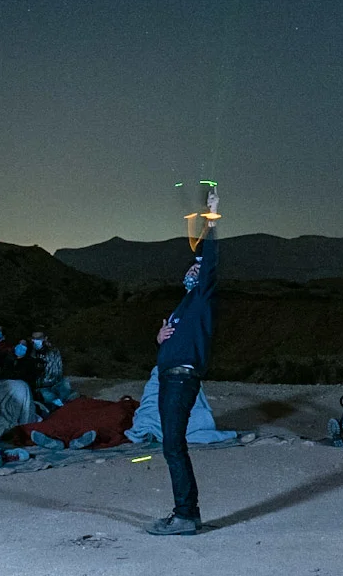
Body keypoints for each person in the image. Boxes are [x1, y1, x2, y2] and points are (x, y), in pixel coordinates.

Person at [148, 191, 219, 536]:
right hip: (168, 376)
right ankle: (186, 512)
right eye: (190, 268)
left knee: (174, 446)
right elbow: (174, 340)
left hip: (180, 379)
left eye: (196, 268)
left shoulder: (203, 298)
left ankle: (185, 516)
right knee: (170, 445)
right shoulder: (186, 303)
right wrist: (161, 340)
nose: (191, 271)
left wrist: (211, 216)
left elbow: (210, 258)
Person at [27, 331, 73, 410]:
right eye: (34, 338)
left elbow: (58, 368)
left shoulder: (53, 350)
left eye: (38, 338)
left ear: (45, 338)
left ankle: (64, 402)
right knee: (48, 397)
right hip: (42, 386)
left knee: (65, 385)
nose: (36, 341)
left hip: (56, 383)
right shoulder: (30, 352)